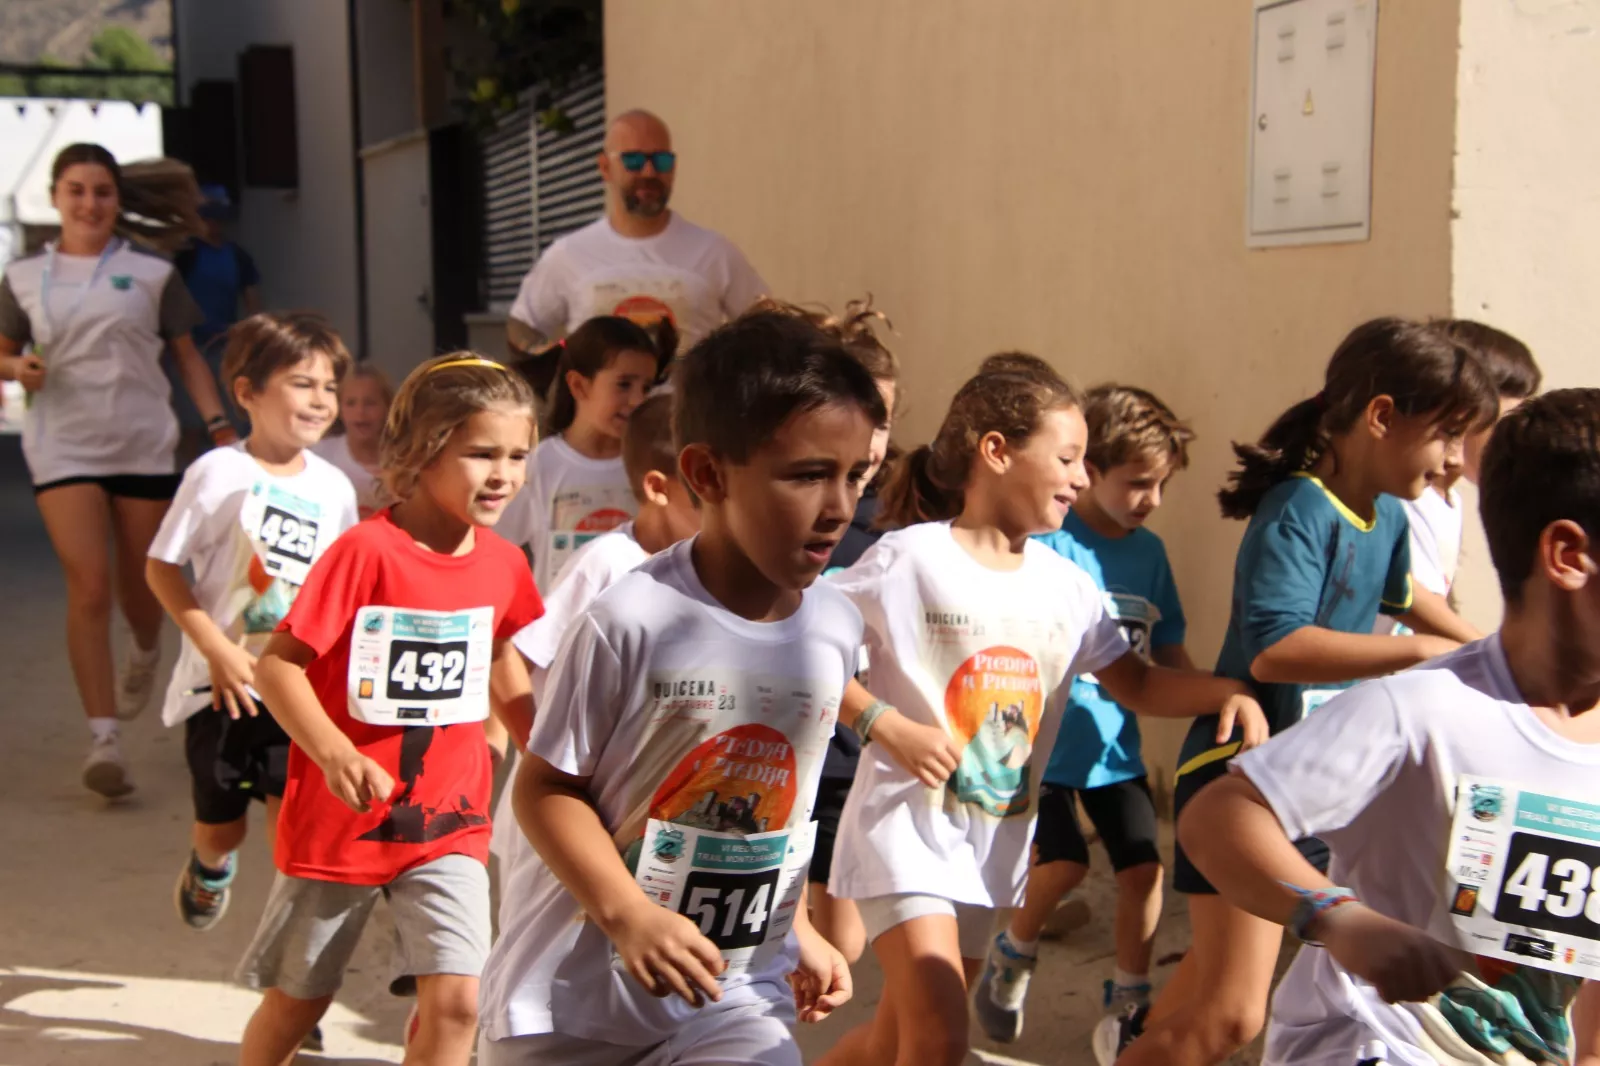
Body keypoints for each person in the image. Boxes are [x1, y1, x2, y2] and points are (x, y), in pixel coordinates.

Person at [815, 354, 1269, 1066]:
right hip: (901, 835)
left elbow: (1140, 686)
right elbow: (797, 644)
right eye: (1067, 457)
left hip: (988, 846)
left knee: (895, 1041)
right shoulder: (908, 559)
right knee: (937, 1040)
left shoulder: (1068, 586)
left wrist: (1229, 691)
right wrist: (884, 724)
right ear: (995, 451)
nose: (1082, 478)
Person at [478, 310, 886, 1066]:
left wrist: (793, 930)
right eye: (806, 475)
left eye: (856, 475)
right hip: (570, 1007)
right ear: (706, 475)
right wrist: (629, 915)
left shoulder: (833, 625)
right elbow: (545, 790)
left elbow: (764, 812)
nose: (839, 507)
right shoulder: (633, 618)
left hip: (726, 996)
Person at [1116, 318, 1502, 1066]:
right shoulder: (1297, 509)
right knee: (1231, 1015)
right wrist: (1418, 654)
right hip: (1239, 784)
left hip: (1308, 789)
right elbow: (1275, 651)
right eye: (1447, 434)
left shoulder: (1387, 511)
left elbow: (1405, 598)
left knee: (1210, 995)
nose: (1456, 461)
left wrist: (1483, 647)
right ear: (1382, 416)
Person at [1177, 388, 1600, 1066]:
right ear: (1568, 556)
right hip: (1369, 1044)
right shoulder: (1423, 708)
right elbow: (1218, 818)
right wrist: (1338, 918)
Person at [237, 354, 542, 1066]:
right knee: (298, 1001)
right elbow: (277, 667)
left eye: (518, 455)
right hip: (342, 825)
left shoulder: (505, 563)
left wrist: (522, 743)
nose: (503, 474)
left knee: (462, 999)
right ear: (422, 452)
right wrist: (335, 754)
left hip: (450, 821)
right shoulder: (365, 552)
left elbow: (501, 655)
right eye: (481, 453)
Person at [0, 143, 235, 799]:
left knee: (142, 590)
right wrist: (18, 370)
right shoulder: (23, 276)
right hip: (62, 447)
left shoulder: (152, 272)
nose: (90, 203)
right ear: (55, 196)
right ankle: (103, 737)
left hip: (141, 443)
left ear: (117, 199)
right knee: (90, 585)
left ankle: (143, 647)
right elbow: (3, 354)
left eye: (101, 191)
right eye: (76, 190)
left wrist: (217, 424)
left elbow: (186, 356)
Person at [974, 384, 1197, 1047]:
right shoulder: (1049, 541)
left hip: (1112, 749)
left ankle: (1130, 996)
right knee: (1064, 864)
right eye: (1138, 484)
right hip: (1039, 749)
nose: (1151, 501)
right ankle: (1012, 953)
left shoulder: (1149, 553)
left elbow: (1169, 642)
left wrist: (1204, 698)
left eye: (1161, 486)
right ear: (1089, 470)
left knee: (1142, 869)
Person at [146, 312, 357, 935]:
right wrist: (215, 648)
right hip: (221, 689)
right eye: (301, 383)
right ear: (247, 393)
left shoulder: (335, 487)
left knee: (293, 831)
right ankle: (210, 866)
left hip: (296, 687)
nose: (321, 400)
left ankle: (293, 973)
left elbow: (338, 591)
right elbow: (162, 567)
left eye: (328, 386)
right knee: (222, 825)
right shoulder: (218, 473)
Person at [485, 391, 699, 912]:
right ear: (657, 488)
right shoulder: (607, 562)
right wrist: (542, 754)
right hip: (558, 817)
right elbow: (511, 656)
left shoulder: (707, 574)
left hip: (636, 823)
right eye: (706, 497)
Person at [753, 295, 901, 966]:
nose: (874, 437)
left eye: (885, 419)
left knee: (841, 943)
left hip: (849, 761)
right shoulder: (787, 516)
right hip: (786, 748)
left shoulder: (891, 513)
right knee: (774, 936)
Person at [506, 109, 767, 394]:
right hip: (597, 436)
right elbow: (522, 327)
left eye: (662, 160)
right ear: (605, 167)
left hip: (685, 431)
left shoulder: (715, 252)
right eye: (633, 160)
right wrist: (561, 371)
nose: (649, 172)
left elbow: (767, 328)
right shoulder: (569, 254)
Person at [1376, 320, 1541, 637]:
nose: (1518, 440)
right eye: (1508, 423)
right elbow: (1408, 596)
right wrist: (1488, 656)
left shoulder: (1448, 501)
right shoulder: (1402, 496)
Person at [499, 314, 663, 592]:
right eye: (624, 384)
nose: (637, 400)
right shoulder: (539, 464)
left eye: (646, 387)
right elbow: (498, 547)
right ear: (578, 385)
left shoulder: (650, 465)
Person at [169, 184, 263, 464]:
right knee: (190, 425)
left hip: (226, 350)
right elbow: (170, 303)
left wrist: (244, 335)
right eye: (206, 217)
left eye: (216, 217)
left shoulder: (237, 256)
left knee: (232, 422)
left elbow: (253, 305)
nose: (211, 224)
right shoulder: (184, 255)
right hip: (187, 349)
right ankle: (184, 483)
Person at [315, 361, 393, 518]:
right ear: (339, 408)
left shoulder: (405, 460)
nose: (360, 412)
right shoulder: (320, 456)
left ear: (387, 406)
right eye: (351, 403)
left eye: (370, 403)